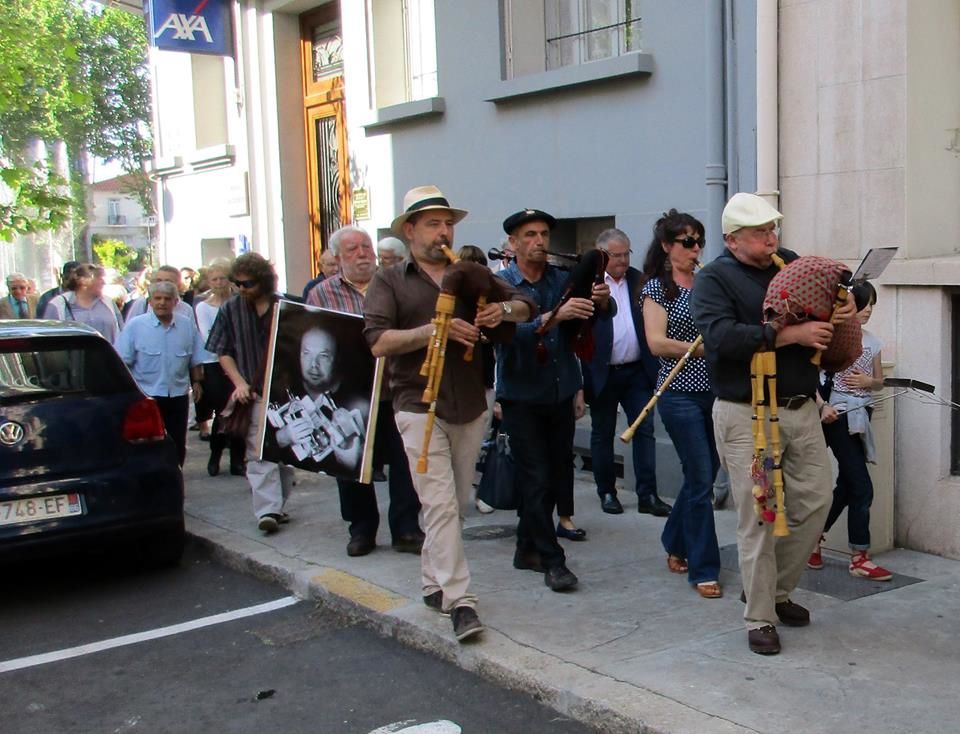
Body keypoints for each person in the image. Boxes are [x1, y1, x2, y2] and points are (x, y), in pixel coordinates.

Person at [364, 185, 534, 643]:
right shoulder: (389, 281)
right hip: (416, 402)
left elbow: (524, 304)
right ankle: (461, 601)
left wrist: (501, 311)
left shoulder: (470, 271)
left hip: (470, 401)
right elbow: (378, 342)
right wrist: (433, 330)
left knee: (452, 505)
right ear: (410, 230)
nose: (443, 232)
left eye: (448, 223)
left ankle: (431, 582)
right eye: (433, 223)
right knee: (439, 504)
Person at [691, 192, 857, 655]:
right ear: (732, 239)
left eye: (772, 230)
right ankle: (761, 615)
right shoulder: (713, 279)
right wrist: (787, 335)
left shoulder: (790, 262)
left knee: (816, 501)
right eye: (761, 232)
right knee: (759, 515)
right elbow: (719, 338)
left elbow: (835, 294)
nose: (772, 238)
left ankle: (773, 589)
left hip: (801, 406)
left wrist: (842, 308)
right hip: (746, 412)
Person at [495, 208, 610, 592]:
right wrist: (552, 318)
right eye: (529, 235)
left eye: (543, 234)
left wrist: (600, 301)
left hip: (560, 391)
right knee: (536, 476)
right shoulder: (501, 287)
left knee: (553, 476)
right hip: (521, 395)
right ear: (512, 243)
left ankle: (526, 547)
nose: (539, 242)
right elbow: (507, 334)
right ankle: (552, 559)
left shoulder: (561, 277)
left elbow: (588, 324)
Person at [307, 226, 425, 557]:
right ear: (337, 257)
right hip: (348, 396)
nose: (362, 253)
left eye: (365, 246)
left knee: (405, 462)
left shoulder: (395, 284)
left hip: (395, 389)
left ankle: (405, 529)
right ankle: (361, 529)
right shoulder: (321, 294)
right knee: (350, 461)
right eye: (352, 249)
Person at [640, 210, 721, 599]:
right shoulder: (657, 288)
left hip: (715, 393)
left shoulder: (708, 283)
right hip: (678, 394)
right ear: (667, 247)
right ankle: (704, 568)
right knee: (701, 476)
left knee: (700, 476)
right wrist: (702, 350)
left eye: (699, 241)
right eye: (687, 242)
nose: (695, 249)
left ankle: (674, 540)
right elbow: (656, 343)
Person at [206, 252, 295, 535]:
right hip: (254, 391)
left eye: (247, 284)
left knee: (284, 450)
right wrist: (239, 383)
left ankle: (278, 504)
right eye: (238, 283)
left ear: (263, 282)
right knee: (258, 452)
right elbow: (223, 351)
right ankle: (268, 509)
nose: (241, 289)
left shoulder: (287, 307)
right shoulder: (230, 309)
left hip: (286, 391)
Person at [810, 282, 892, 581]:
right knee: (862, 487)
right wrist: (821, 406)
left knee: (847, 485)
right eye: (863, 303)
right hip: (838, 417)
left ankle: (812, 541)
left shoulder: (873, 342)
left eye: (872, 304)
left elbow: (880, 381)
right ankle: (860, 556)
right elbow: (808, 377)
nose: (868, 309)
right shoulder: (831, 338)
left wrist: (869, 383)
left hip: (863, 415)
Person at [582, 229, 668, 517]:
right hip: (603, 371)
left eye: (625, 254)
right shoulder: (589, 284)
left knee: (644, 430)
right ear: (602, 255)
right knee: (603, 433)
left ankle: (648, 494)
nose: (621, 261)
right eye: (615, 255)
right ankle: (607, 491)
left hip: (637, 372)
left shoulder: (639, 281)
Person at [115, 281, 206, 466]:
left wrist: (197, 382)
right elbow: (123, 361)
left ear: (175, 302)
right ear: (150, 301)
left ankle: (175, 480)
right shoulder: (136, 326)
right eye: (157, 298)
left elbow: (195, 358)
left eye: (167, 299)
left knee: (177, 443)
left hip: (177, 395)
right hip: (146, 396)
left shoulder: (187, 325)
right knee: (148, 444)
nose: (162, 303)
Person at [195, 259, 245, 476]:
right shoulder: (203, 307)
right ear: (208, 281)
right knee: (223, 412)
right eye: (214, 279)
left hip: (239, 362)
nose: (218, 282)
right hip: (214, 364)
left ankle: (237, 460)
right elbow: (209, 337)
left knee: (240, 413)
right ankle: (215, 455)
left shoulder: (239, 302)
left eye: (222, 278)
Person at [42, 263, 123, 342]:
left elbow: (121, 332)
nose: (102, 282)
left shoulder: (108, 303)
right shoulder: (58, 305)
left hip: (107, 355)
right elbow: (48, 340)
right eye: (97, 278)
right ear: (82, 280)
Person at [125, 265, 195, 324]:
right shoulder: (143, 304)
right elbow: (128, 331)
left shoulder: (186, 310)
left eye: (168, 282)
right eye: (159, 281)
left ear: (179, 285)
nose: (162, 285)